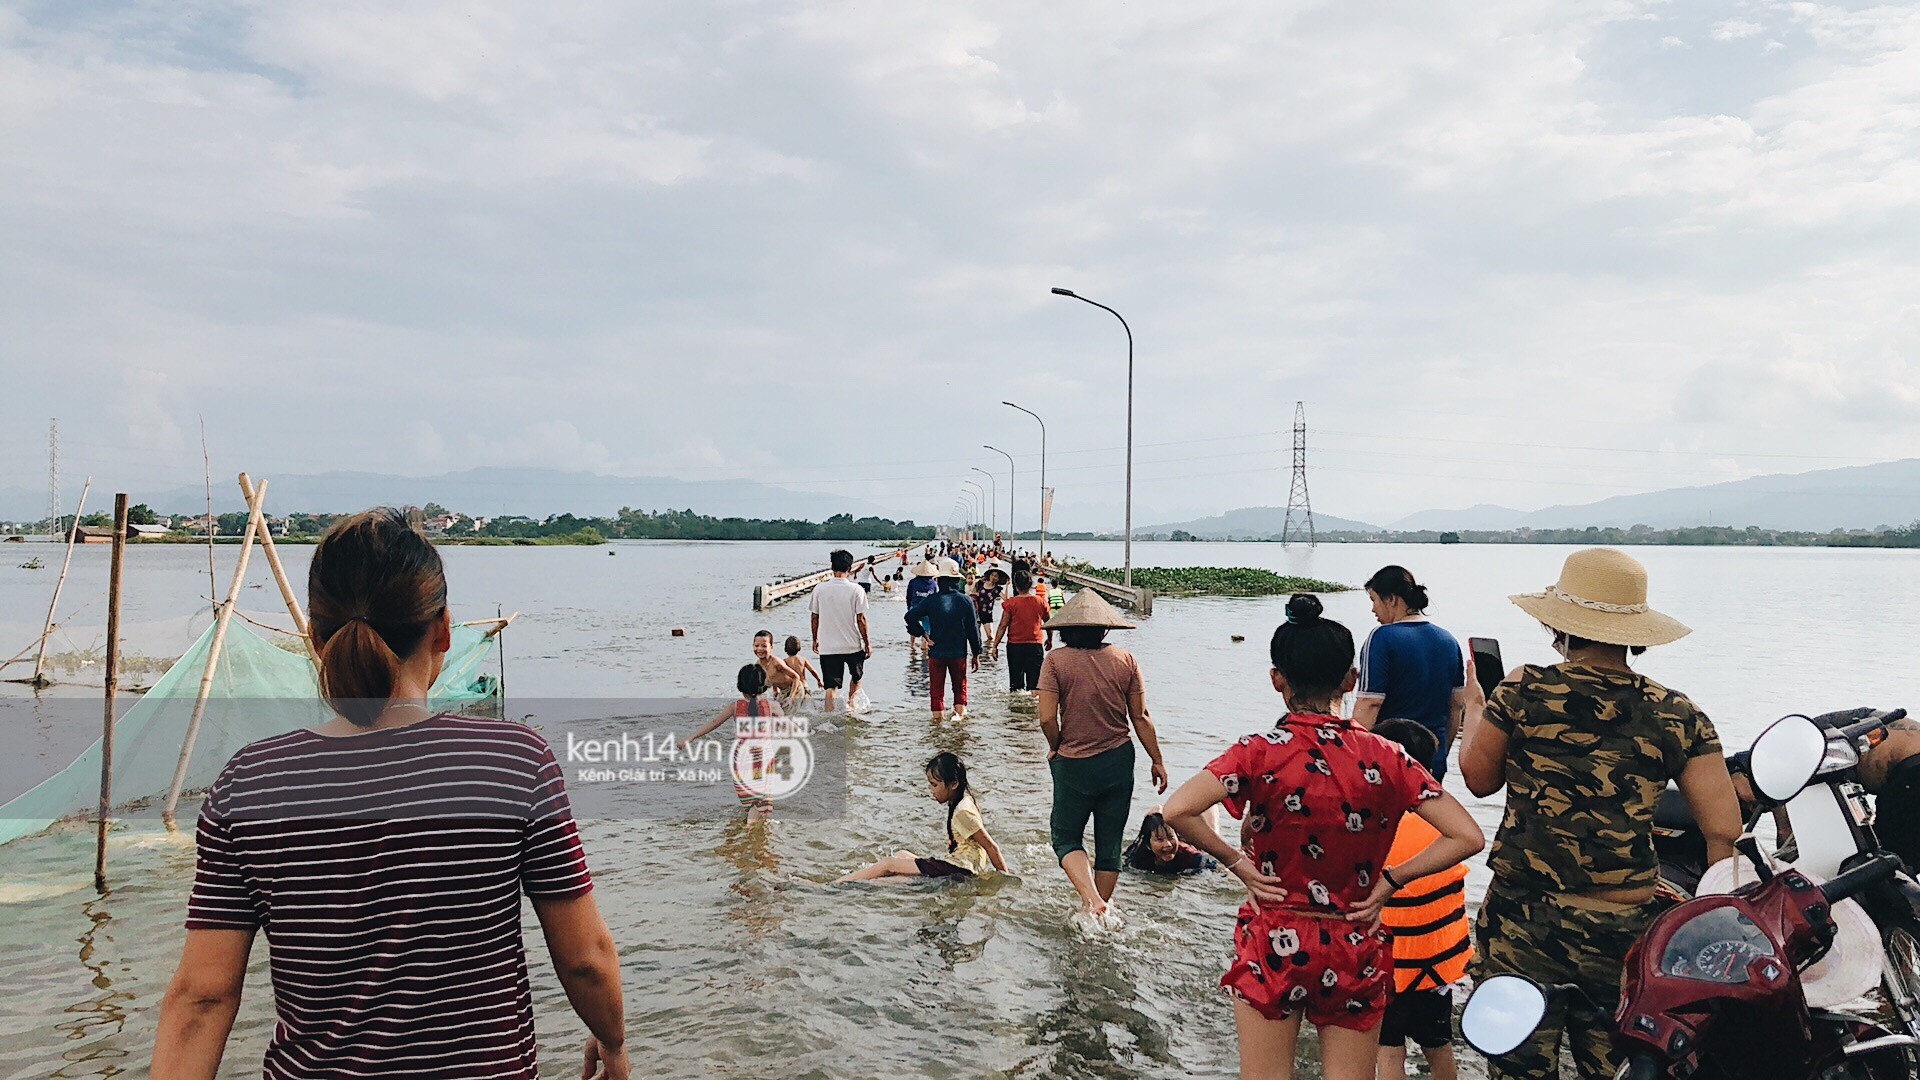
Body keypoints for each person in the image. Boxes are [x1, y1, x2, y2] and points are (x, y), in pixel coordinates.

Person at [151, 508, 626, 1080]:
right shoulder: (514, 763)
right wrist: (612, 1040)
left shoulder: (251, 782)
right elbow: (586, 962)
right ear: (445, 630)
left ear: (314, 639)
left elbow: (202, 998)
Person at [1161, 594, 1484, 1080]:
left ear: (1277, 679)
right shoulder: (1387, 755)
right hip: (1355, 938)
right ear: (1351, 681)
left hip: (1275, 936)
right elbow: (1466, 835)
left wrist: (1238, 865)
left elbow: (1177, 809)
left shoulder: (1257, 752)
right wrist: (1392, 881)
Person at [1460, 548, 1741, 1080]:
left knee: (1518, 1067)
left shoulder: (1522, 688)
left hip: (1524, 923)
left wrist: (1476, 705)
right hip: (1625, 929)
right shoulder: (1676, 711)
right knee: (1618, 1067)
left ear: (1559, 625)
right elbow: (1724, 829)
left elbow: (1478, 779)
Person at [1037, 590, 1168, 921]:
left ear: (1065, 629)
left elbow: (1046, 718)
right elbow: (1141, 717)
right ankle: (1100, 910)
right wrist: (1157, 760)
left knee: (1065, 837)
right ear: (1104, 628)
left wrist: (1055, 745)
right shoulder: (1126, 660)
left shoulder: (1054, 661)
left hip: (1074, 763)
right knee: (1109, 845)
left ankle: (1090, 900)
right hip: (1118, 760)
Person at [1371, 720, 1470, 1080]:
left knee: (1388, 1048)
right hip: (1437, 970)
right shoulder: (1448, 829)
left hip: (1390, 972)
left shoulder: (1375, 828)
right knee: (1438, 1044)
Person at [1351, 566, 1470, 778]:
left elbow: (1370, 703)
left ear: (1392, 600)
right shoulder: (1448, 640)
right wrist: (1441, 753)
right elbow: (1456, 706)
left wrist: (1351, 756)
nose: (1373, 610)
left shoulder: (1381, 638)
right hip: (1433, 761)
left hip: (1389, 759)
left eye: (1374, 600)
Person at [836, 752, 1009, 882]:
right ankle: (852, 882)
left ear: (954, 784)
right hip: (956, 865)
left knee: (890, 865)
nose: (931, 790)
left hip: (959, 869)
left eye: (934, 785)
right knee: (901, 856)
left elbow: (991, 847)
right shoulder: (964, 799)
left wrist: (1005, 879)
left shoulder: (963, 811)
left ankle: (836, 886)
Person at [688, 663, 787, 824]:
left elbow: (714, 723)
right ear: (765, 687)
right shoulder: (771, 706)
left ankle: (751, 831)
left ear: (741, 687)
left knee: (752, 799)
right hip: (762, 761)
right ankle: (750, 833)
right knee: (761, 801)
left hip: (741, 761)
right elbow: (785, 726)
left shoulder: (735, 707)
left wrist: (691, 737)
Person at [904, 558, 982, 718]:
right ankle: (959, 723)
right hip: (958, 653)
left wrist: (923, 634)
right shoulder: (965, 601)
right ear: (956, 581)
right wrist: (976, 653)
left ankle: (937, 728)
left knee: (937, 692)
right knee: (960, 689)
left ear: (938, 580)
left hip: (936, 653)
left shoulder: (932, 600)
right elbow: (973, 630)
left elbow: (910, 616)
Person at [810, 549, 872, 713]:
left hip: (828, 646)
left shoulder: (819, 589)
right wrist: (867, 643)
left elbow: (814, 617)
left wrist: (815, 638)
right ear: (850, 568)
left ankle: (830, 719)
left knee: (830, 687)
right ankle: (851, 705)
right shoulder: (856, 589)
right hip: (852, 645)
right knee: (857, 676)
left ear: (832, 567)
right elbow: (861, 620)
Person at [991, 569, 1051, 693]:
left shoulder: (1011, 603)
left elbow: (1003, 625)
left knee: (1016, 685)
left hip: (1015, 647)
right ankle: (1033, 711)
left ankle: (1015, 711)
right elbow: (1048, 622)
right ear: (1030, 584)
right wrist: (1050, 639)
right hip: (1035, 646)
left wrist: (995, 646)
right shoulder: (1040, 601)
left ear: (1016, 586)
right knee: (1035, 685)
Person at [1124, 807, 1221, 874]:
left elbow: (1217, 867)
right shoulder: (1137, 856)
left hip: (1191, 844)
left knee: (1212, 837)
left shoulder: (1192, 857)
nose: (1168, 844)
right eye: (1160, 840)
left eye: (1171, 838)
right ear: (1148, 845)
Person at [904, 560, 941, 655]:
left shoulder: (913, 582)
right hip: (928, 611)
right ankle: (924, 647)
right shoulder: (933, 583)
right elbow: (936, 598)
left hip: (915, 609)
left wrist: (909, 608)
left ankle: (912, 646)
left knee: (913, 627)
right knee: (926, 630)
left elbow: (908, 596)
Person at [752, 629, 801, 698]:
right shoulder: (758, 665)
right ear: (753, 646)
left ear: (771, 648)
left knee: (787, 707)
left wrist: (791, 698)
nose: (759, 649)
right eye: (756, 646)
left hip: (795, 689)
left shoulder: (776, 663)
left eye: (764, 646)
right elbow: (773, 676)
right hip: (783, 692)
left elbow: (796, 677)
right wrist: (775, 690)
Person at [782, 636, 820, 705]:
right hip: (804, 687)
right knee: (812, 706)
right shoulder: (802, 660)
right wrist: (819, 681)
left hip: (792, 689)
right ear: (799, 648)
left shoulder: (784, 662)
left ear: (785, 649)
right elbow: (812, 671)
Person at [973, 568, 1006, 637]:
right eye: (992, 575)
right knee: (976, 636)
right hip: (977, 612)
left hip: (987, 614)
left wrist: (1007, 586)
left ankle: (990, 647)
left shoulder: (997, 589)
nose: (993, 577)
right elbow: (973, 594)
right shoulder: (980, 583)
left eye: (995, 576)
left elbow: (1006, 599)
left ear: (998, 579)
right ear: (989, 575)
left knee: (990, 636)